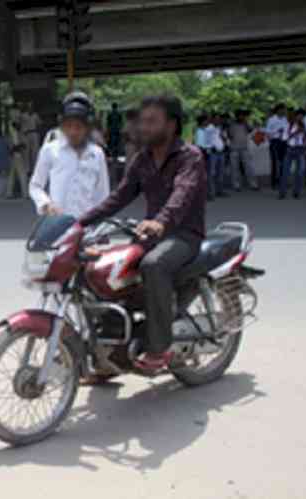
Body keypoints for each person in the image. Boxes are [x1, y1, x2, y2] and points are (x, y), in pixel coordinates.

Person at [79, 95, 207, 371]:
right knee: (103, 269)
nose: (143, 128)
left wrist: (161, 221)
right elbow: (119, 196)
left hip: (184, 235)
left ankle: (159, 349)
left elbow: (181, 194)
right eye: (142, 122)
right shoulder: (142, 160)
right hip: (152, 235)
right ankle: (111, 352)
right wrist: (79, 223)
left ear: (171, 125)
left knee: (154, 264)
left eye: (151, 122)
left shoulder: (190, 157)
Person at [29, 92, 110, 219]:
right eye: (69, 126)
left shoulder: (97, 154)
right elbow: (35, 185)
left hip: (87, 226)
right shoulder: (50, 150)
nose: (73, 132)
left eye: (78, 127)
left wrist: (101, 222)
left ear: (87, 127)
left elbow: (103, 194)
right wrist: (46, 204)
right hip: (57, 223)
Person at [279, 108, 306, 200]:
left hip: (301, 149)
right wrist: (295, 133)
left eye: (302, 116)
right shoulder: (288, 125)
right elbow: (284, 139)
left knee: (300, 172)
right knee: (285, 171)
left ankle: (296, 192)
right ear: (295, 116)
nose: (300, 117)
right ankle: (282, 192)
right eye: (298, 115)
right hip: (290, 149)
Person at [228, 109, 259, 191]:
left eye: (243, 115)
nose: (242, 117)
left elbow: (251, 130)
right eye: (240, 115)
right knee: (235, 168)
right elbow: (230, 135)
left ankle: (253, 184)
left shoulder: (246, 124)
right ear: (237, 116)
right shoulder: (231, 124)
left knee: (249, 167)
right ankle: (236, 185)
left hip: (244, 148)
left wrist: (246, 123)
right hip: (234, 149)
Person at [205, 113, 227, 200]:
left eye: (219, 119)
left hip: (221, 152)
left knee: (220, 172)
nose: (218, 120)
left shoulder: (219, 128)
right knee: (211, 173)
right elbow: (206, 142)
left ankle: (219, 191)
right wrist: (210, 148)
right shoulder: (208, 129)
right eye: (216, 119)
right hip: (213, 153)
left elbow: (221, 138)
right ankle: (210, 193)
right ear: (212, 119)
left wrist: (223, 141)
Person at [266, 103, 289, 189]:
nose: (284, 111)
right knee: (275, 163)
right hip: (275, 142)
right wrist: (277, 131)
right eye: (283, 109)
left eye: (285, 109)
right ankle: (274, 182)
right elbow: (267, 133)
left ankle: (282, 181)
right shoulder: (271, 119)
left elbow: (287, 129)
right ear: (278, 110)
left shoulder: (285, 119)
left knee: (284, 162)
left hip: (284, 142)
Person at [6, 119, 29, 199]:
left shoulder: (14, 134)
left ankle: (9, 194)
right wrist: (19, 147)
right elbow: (16, 147)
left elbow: (21, 146)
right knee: (22, 175)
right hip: (17, 156)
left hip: (14, 156)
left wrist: (18, 147)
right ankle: (25, 194)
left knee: (11, 176)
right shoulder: (16, 134)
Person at [20, 102, 42, 172]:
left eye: (31, 107)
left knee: (35, 151)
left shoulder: (35, 115)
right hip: (26, 134)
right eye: (29, 107)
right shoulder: (23, 115)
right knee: (26, 152)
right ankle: (27, 169)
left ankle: (35, 168)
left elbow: (39, 124)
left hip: (34, 133)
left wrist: (38, 131)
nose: (30, 108)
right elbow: (19, 124)